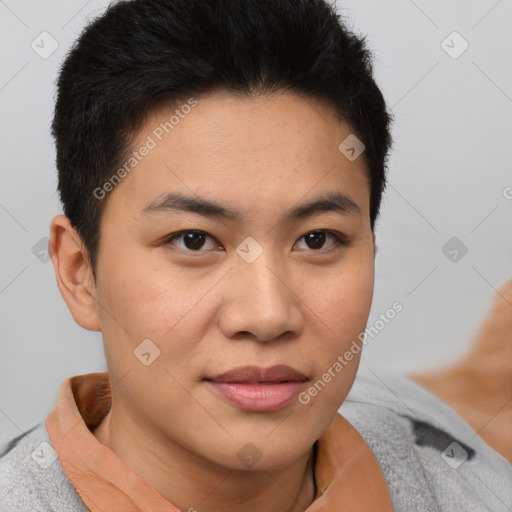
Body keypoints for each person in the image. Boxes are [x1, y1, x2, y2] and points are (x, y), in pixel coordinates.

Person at [0, 1, 510, 511]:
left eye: (317, 239)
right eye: (194, 240)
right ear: (79, 272)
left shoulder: (469, 485)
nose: (267, 316)